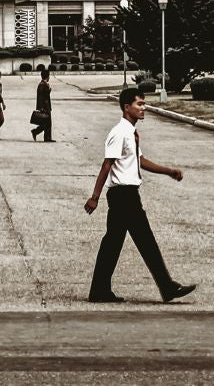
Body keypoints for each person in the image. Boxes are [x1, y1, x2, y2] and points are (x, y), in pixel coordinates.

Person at [85, 84, 196, 303]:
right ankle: (167, 287)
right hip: (123, 196)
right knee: (145, 241)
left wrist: (168, 171)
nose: (144, 108)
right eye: (140, 104)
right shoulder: (119, 133)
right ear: (127, 107)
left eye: (143, 103)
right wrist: (94, 197)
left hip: (126, 195)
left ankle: (99, 290)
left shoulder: (130, 132)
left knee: (112, 243)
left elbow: (141, 161)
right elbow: (107, 165)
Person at [31, 64, 53, 142]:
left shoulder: (45, 84)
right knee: (47, 122)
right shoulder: (42, 85)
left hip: (47, 105)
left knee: (47, 122)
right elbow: (40, 97)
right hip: (44, 106)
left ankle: (46, 137)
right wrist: (41, 108)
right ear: (47, 76)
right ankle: (37, 132)